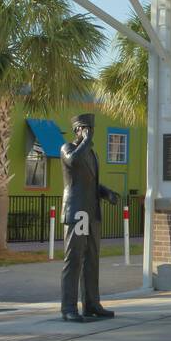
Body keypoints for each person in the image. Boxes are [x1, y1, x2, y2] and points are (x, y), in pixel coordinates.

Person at [60, 113, 120, 322]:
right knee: (74, 259)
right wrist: (85, 141)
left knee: (92, 260)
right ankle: (68, 307)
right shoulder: (67, 149)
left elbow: (92, 184)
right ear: (76, 129)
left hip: (91, 212)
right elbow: (74, 162)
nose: (89, 132)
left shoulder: (92, 154)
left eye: (91, 128)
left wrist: (107, 193)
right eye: (85, 128)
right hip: (76, 212)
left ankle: (92, 303)